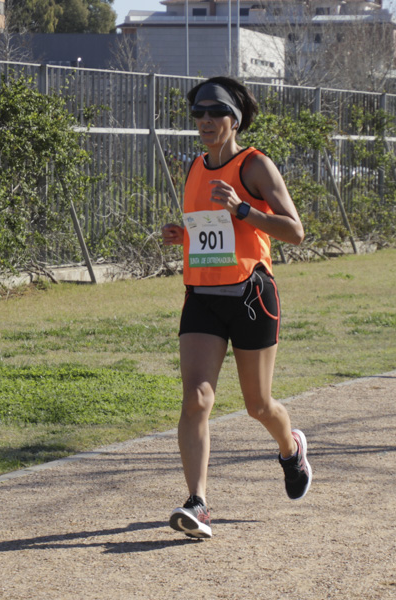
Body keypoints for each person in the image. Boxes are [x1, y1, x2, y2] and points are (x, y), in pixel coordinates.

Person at [160, 76, 311, 539]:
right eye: (198, 113)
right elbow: (213, 235)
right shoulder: (194, 166)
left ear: (235, 118)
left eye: (215, 112)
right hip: (202, 295)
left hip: (251, 295)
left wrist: (245, 209)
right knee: (196, 399)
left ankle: (291, 448)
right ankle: (198, 502)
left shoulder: (255, 165)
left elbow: (294, 231)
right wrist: (182, 235)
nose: (205, 121)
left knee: (258, 405)